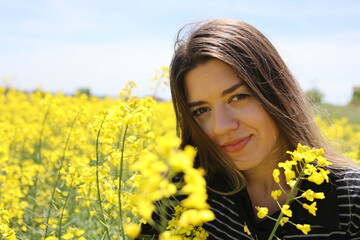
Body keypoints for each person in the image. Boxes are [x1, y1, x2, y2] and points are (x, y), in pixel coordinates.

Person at [169, 19, 360, 239]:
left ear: (276, 93)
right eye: (201, 110)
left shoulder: (351, 200)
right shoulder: (179, 195)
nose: (221, 127)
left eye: (238, 97)